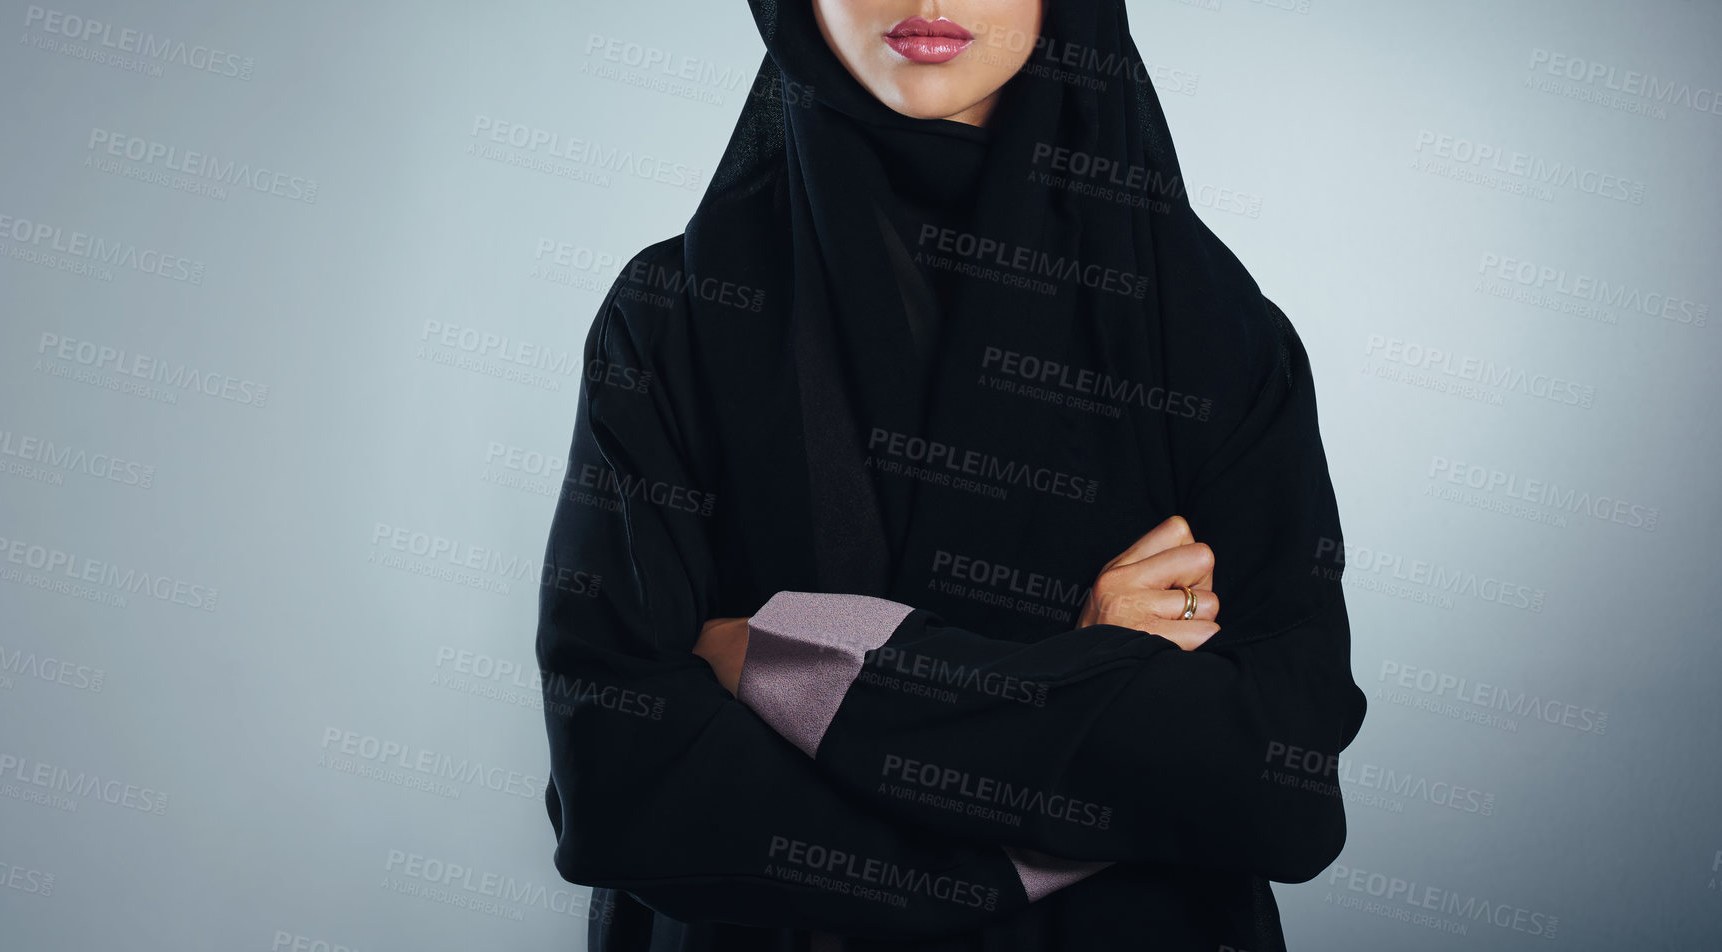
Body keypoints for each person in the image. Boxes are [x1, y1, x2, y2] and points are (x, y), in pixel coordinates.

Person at [534, 1, 1368, 949]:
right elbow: (618, 787)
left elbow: (1281, 789)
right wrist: (1081, 690)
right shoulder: (675, 319)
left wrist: (798, 657)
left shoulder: (1208, 334)